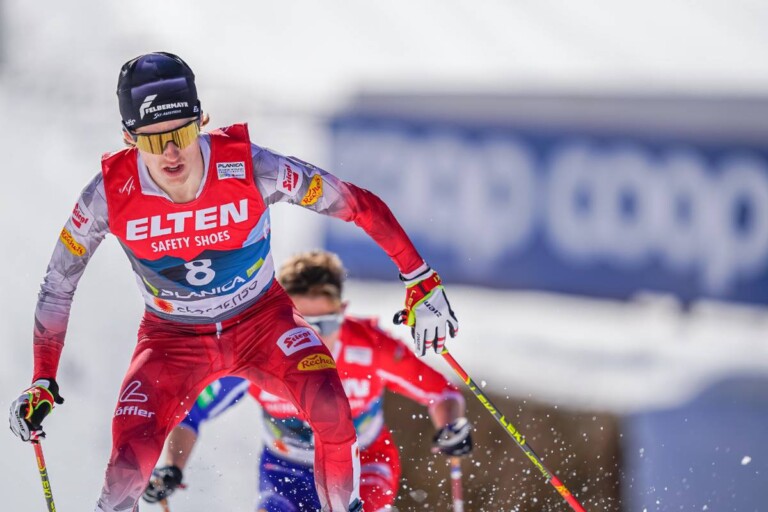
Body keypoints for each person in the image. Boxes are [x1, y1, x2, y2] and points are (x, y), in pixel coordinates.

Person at [8, 52, 459, 512]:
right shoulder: (107, 194)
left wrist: (419, 277)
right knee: (130, 459)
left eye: (182, 133)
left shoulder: (250, 166)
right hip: (172, 340)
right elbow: (58, 284)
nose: (171, 152)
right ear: (128, 137)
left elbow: (355, 203)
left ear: (201, 120)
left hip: (262, 324)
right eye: (153, 140)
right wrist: (42, 379)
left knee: (330, 408)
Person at [142, 250, 472, 511]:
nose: (315, 337)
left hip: (365, 462)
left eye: (325, 324)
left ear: (343, 311)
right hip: (287, 467)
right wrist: (172, 467)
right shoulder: (256, 353)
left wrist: (451, 427)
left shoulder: (371, 347)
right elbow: (191, 413)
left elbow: (442, 394)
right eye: (301, 323)